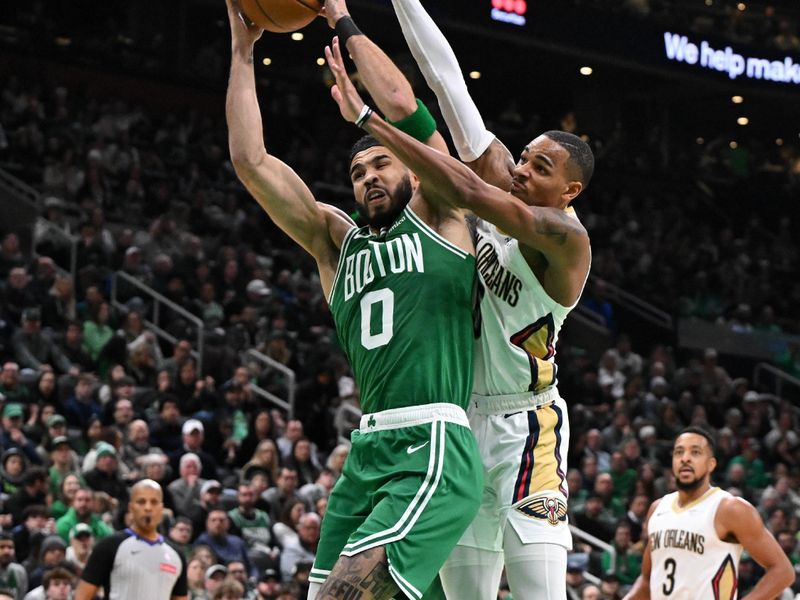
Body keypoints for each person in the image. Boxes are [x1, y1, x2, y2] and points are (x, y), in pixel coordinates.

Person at [327, 1, 593, 594]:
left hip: (529, 429)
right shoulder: (505, 181)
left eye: (540, 167)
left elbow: (468, 185)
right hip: (459, 422)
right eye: (522, 156)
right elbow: (446, 80)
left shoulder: (565, 239)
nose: (521, 170)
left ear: (569, 190)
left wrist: (368, 119)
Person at [225, 1, 482, 598]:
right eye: (357, 169)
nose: (367, 175)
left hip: (432, 440)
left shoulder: (443, 214)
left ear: (413, 173)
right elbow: (250, 161)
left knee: (345, 595)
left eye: (380, 163)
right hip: (366, 450)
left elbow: (405, 108)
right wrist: (242, 51)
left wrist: (339, 16)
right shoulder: (336, 244)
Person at [622, 427, 795, 599]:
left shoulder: (729, 508)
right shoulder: (657, 509)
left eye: (695, 452)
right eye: (679, 452)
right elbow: (646, 581)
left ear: (711, 464)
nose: (685, 458)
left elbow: (783, 572)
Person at [74, 479, 187, 600]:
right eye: (141, 502)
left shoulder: (176, 555)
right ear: (131, 508)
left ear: (161, 508)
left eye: (154, 502)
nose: (148, 508)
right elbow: (82, 596)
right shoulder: (109, 546)